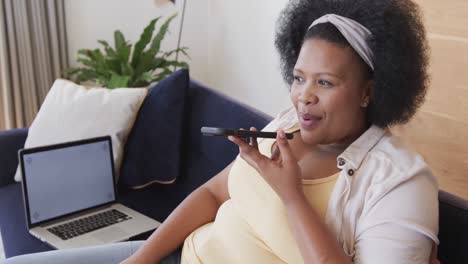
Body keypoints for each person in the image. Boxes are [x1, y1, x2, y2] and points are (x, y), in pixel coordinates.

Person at [4, 0, 440, 263]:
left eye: (325, 83)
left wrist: (291, 195)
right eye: (299, 77)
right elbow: (213, 195)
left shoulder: (399, 183)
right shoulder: (286, 128)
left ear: (367, 92)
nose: (304, 96)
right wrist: (142, 257)